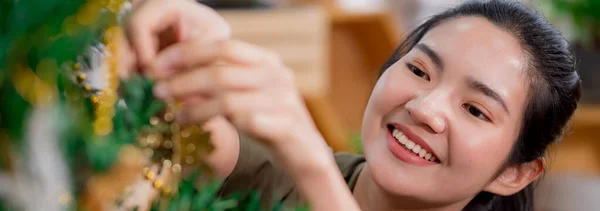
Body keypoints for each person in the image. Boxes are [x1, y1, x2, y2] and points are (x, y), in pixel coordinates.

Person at [123, 0, 582, 210]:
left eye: (476, 110)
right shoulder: (276, 174)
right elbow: (202, 138)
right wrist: (172, 53)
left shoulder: (306, 167)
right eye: (419, 71)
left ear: (514, 173)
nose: (425, 107)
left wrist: (308, 159)